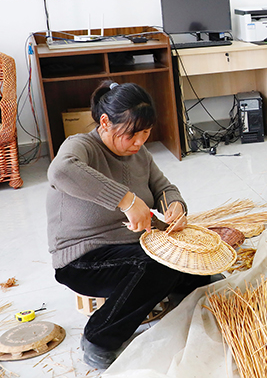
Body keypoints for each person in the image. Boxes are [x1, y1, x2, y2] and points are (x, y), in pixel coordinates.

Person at [46, 81, 213, 369]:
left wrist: (174, 206)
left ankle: (180, 294)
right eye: (131, 134)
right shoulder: (81, 146)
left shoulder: (139, 153)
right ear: (105, 122)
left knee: (190, 257)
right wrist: (126, 200)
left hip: (131, 248)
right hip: (83, 258)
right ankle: (100, 337)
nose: (138, 143)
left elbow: (164, 187)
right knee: (157, 265)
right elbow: (60, 170)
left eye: (145, 134)